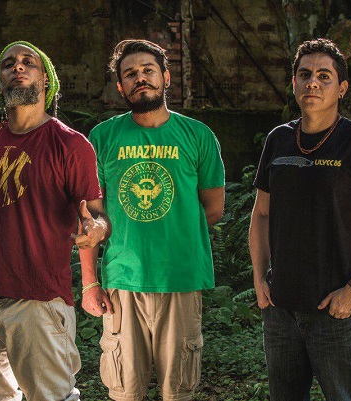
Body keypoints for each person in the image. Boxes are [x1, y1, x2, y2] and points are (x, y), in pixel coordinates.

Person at [0, 40, 109, 401]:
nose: (17, 67)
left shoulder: (70, 144)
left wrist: (95, 230)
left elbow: (96, 215)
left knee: (51, 397)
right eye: (8, 64)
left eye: (27, 62)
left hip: (39, 298)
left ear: (46, 80)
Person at [80, 39, 225, 401]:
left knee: (178, 391)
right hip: (122, 281)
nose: (140, 78)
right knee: (124, 391)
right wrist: (90, 283)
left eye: (148, 70)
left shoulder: (198, 136)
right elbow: (91, 217)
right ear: (120, 87)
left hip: (180, 278)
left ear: (166, 77)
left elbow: (213, 208)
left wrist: (170, 230)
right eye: (130, 74)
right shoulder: (102, 138)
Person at [249, 38, 351, 400]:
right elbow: (261, 213)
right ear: (293, 82)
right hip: (280, 311)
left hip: (336, 313)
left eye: (324, 76)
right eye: (305, 74)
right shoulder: (278, 140)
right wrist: (259, 277)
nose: (313, 82)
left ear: (342, 88)